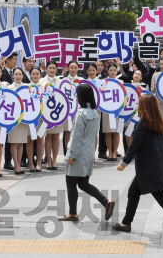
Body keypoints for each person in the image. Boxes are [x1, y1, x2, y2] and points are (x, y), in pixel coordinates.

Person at [113, 94, 163, 238]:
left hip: (148, 168)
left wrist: (123, 163)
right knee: (134, 192)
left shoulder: (143, 124)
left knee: (160, 196)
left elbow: (134, 146)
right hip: (155, 165)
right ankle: (126, 223)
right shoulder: (157, 122)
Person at [59, 84, 115, 222]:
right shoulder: (94, 112)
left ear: (82, 96)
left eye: (77, 94)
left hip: (78, 152)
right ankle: (105, 202)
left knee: (71, 183)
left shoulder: (81, 113)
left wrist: (71, 154)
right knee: (83, 183)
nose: (76, 96)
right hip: (88, 151)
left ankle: (73, 213)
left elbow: (76, 136)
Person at [39, 61, 63, 170]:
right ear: (46, 68)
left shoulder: (61, 81)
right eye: (50, 68)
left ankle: (54, 160)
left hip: (58, 112)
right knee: (48, 137)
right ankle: (48, 160)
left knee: (56, 136)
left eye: (54, 68)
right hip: (46, 113)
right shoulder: (41, 82)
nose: (52, 70)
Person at [7, 68, 29, 175]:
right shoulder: (9, 87)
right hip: (13, 118)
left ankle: (19, 164)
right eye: (16, 74)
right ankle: (15, 164)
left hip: (24, 118)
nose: (18, 76)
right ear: (13, 76)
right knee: (14, 142)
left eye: (20, 74)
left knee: (21, 143)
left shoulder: (26, 87)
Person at [26, 67, 44, 172]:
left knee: (40, 140)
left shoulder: (44, 87)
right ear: (30, 75)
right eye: (33, 74)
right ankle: (31, 163)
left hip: (41, 118)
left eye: (37, 74)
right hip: (30, 118)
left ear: (40, 75)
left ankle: (39, 163)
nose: (36, 76)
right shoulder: (26, 87)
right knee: (30, 140)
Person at [103, 64, 121, 161]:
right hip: (106, 110)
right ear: (108, 71)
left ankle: (115, 152)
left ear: (117, 71)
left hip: (117, 110)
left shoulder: (121, 82)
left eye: (114, 70)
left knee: (116, 132)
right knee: (108, 132)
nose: (113, 72)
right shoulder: (104, 82)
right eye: (111, 70)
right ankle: (109, 152)